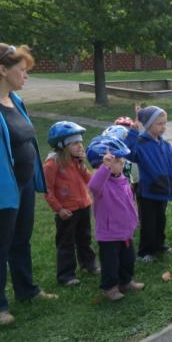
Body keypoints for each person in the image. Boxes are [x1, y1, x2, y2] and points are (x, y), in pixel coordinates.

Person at [0, 43, 56, 325]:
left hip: (22, 185)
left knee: (20, 240)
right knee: (2, 244)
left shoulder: (15, 101)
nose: (26, 76)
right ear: (2, 70)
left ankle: (26, 290)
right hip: (3, 190)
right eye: (21, 70)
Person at [87, 136, 144, 301]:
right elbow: (93, 186)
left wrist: (134, 220)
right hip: (109, 235)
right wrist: (105, 167)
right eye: (118, 160)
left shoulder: (123, 179)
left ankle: (126, 281)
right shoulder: (101, 185)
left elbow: (129, 203)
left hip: (125, 231)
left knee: (128, 260)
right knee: (110, 264)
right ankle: (110, 287)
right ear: (104, 163)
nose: (123, 162)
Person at [43, 121, 98, 286]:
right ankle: (66, 275)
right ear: (61, 145)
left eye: (80, 142)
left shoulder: (76, 161)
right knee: (66, 243)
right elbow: (47, 190)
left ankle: (88, 264)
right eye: (75, 143)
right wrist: (58, 209)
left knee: (84, 238)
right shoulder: (52, 164)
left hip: (83, 206)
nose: (80, 146)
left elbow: (89, 180)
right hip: (66, 211)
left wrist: (82, 164)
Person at [125, 105, 172, 262]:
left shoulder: (165, 144)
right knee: (149, 222)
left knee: (160, 219)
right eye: (159, 123)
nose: (163, 127)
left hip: (163, 189)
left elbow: (171, 164)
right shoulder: (141, 143)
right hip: (148, 191)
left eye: (164, 123)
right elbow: (128, 151)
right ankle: (145, 251)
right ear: (148, 125)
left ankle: (160, 245)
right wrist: (134, 130)